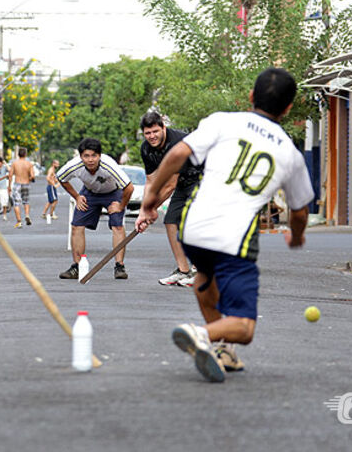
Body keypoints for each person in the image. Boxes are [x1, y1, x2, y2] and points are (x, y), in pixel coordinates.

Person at [137, 68, 314, 383]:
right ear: (288, 108)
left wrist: (150, 198)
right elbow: (300, 211)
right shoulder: (290, 154)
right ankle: (201, 334)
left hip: (192, 227)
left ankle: (223, 350)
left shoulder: (222, 121)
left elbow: (178, 153)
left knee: (205, 279)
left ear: (251, 96)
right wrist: (297, 237)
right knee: (245, 327)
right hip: (233, 237)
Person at [139, 112, 204, 288]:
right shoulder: (146, 149)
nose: (152, 136)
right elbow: (151, 182)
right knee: (170, 221)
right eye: (147, 133)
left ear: (163, 128)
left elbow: (169, 185)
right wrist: (143, 211)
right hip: (183, 183)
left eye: (155, 131)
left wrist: (151, 209)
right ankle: (183, 271)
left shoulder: (177, 143)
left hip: (203, 179)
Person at [58, 138, 134, 280]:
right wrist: (77, 197)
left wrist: (121, 206)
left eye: (94, 155)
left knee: (117, 226)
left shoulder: (108, 165)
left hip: (113, 192)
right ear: (81, 157)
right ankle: (77, 266)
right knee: (76, 225)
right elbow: (61, 178)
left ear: (99, 155)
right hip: (90, 192)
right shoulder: (74, 165)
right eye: (86, 156)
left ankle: (119, 266)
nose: (90, 160)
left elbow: (129, 187)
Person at [8, 147, 35, 228]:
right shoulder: (29, 164)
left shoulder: (14, 163)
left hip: (17, 184)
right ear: (25, 154)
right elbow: (32, 176)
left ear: (18, 154)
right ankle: (27, 215)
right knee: (26, 201)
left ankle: (19, 221)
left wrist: (9, 186)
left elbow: (10, 175)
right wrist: (29, 179)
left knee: (16, 203)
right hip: (26, 184)